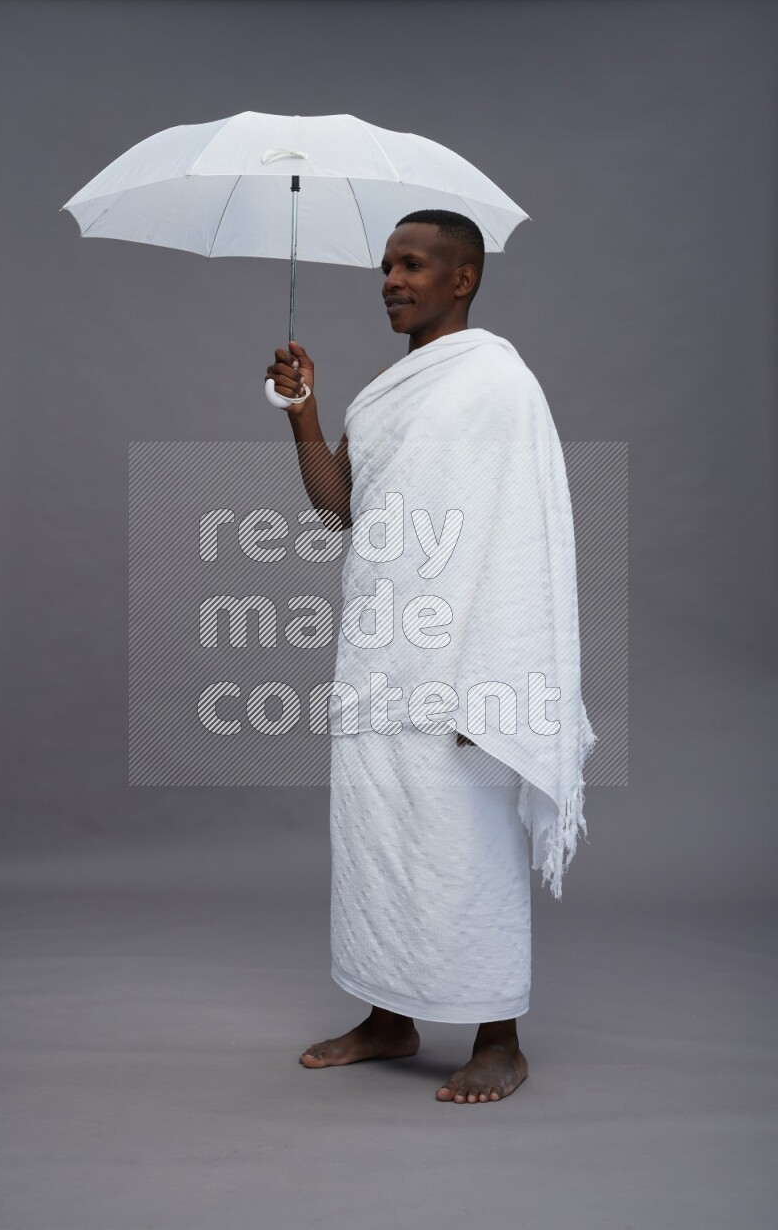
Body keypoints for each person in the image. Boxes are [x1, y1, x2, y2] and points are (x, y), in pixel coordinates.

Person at [265, 210, 556, 1104]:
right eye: (386, 265)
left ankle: (498, 1034)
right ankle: (390, 1016)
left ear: (462, 279)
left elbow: (523, 535)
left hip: (460, 664)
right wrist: (304, 410)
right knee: (378, 846)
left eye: (413, 264)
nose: (391, 278)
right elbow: (335, 508)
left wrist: (494, 683)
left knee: (465, 847)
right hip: (379, 657)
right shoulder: (382, 397)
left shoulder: (496, 382)